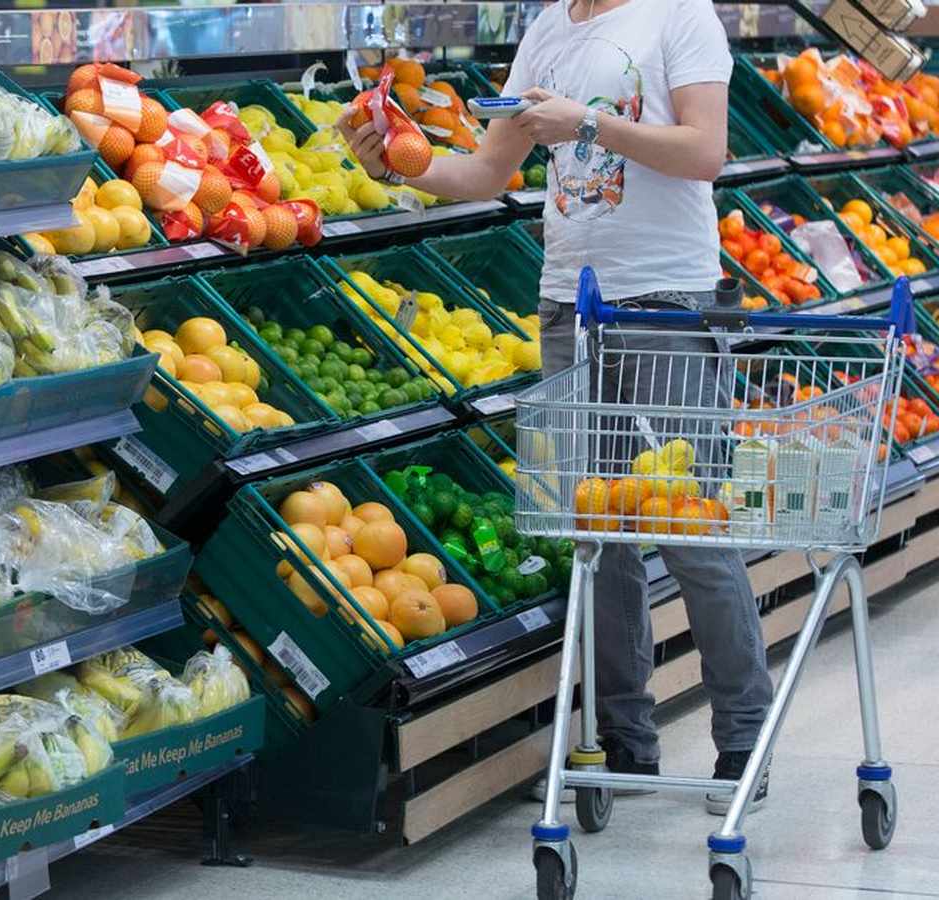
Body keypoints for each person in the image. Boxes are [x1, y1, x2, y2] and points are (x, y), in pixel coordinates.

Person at [337, 0, 774, 812]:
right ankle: (624, 742)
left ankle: (744, 735)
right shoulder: (547, 29)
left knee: (690, 529)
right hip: (569, 307)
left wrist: (588, 126)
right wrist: (394, 163)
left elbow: (707, 151)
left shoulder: (680, 14)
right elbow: (482, 173)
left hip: (664, 301)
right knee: (595, 534)